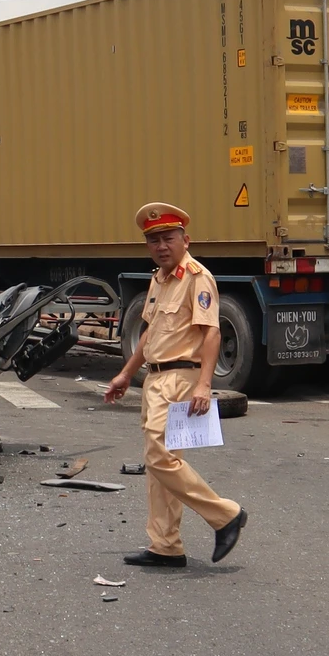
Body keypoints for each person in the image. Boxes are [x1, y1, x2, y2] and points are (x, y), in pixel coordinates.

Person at [101, 203, 249, 568]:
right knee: (161, 465)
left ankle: (225, 515)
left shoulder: (198, 278)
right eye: (153, 240)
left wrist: (204, 385)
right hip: (154, 377)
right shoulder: (159, 279)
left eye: (168, 238)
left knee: (159, 456)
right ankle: (166, 545)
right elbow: (151, 332)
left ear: (186, 239)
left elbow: (211, 332)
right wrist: (126, 372)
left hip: (180, 377)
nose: (161, 246)